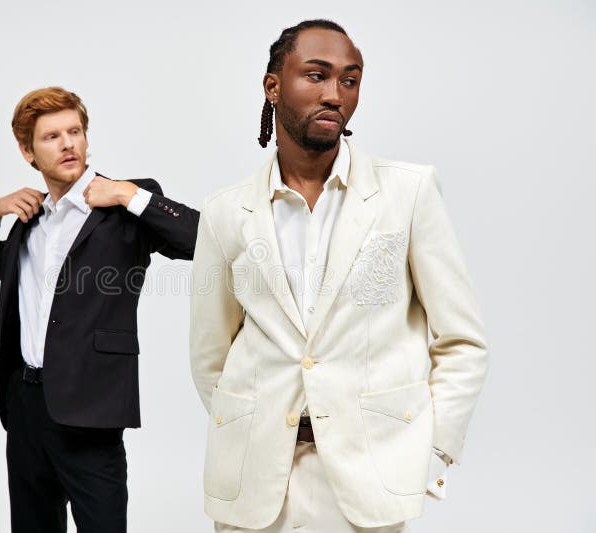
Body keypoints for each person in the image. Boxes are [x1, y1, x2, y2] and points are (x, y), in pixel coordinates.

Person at [189, 20, 488, 532]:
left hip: (367, 479)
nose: (334, 94)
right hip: (254, 485)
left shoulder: (408, 193)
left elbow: (462, 341)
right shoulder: (225, 210)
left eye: (349, 80)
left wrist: (431, 449)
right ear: (273, 86)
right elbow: (210, 353)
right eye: (316, 75)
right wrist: (244, 426)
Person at [0, 86, 198, 533]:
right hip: (25, 406)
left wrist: (129, 195)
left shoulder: (125, 206)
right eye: (52, 137)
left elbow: (200, 239)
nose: (68, 143)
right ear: (27, 151)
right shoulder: (28, 220)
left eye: (75, 131)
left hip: (91, 407)